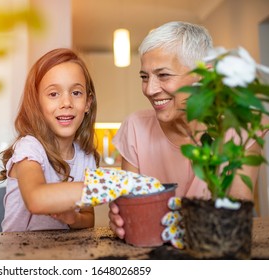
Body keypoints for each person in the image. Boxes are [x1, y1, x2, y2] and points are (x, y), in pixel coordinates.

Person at [108, 21, 265, 239]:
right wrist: (122, 220)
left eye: (163, 75)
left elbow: (238, 207)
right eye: (144, 77)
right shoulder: (135, 127)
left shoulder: (240, 126)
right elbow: (130, 208)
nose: (150, 89)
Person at [0, 48, 99, 232]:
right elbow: (36, 199)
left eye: (76, 93)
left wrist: (74, 218)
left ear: (88, 103)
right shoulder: (30, 148)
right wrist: (107, 186)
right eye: (53, 94)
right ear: (37, 103)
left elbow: (88, 219)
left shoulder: (86, 157)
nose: (66, 103)